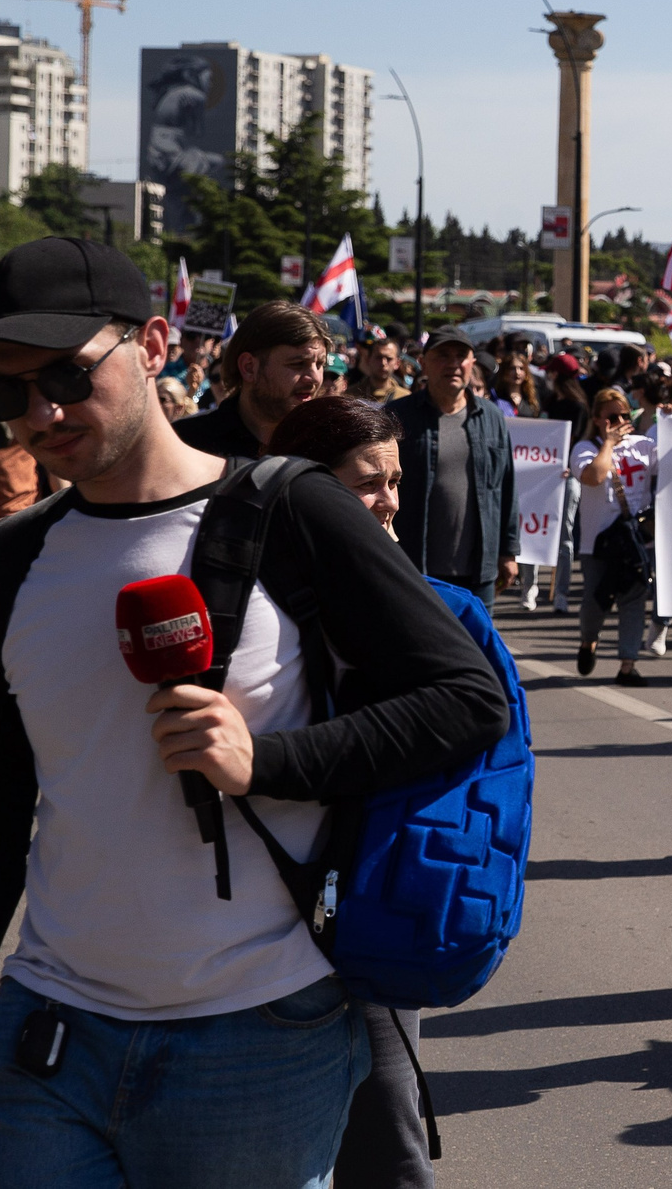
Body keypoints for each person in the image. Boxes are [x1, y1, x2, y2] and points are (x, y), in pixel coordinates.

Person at [0, 237, 509, 1186]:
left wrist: (268, 763)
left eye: (66, 374)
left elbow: (466, 699)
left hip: (255, 1034)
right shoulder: (10, 563)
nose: (42, 412)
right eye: (6, 392)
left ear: (150, 343)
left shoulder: (289, 508)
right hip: (47, 1027)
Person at [259, 394, 439, 1189]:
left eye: (396, 480)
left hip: (369, 892)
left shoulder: (396, 582)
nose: (389, 500)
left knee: (388, 1111)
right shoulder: (257, 593)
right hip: (267, 906)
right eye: (369, 483)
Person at [387, 330, 521, 608]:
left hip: (478, 571)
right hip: (413, 566)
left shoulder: (492, 417)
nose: (453, 364)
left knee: (477, 650)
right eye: (443, 356)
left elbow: (506, 487)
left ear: (473, 362)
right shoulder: (397, 416)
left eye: (461, 356)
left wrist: (508, 553)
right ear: (423, 362)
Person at [571, 387, 660, 682]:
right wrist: (608, 443)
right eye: (612, 417)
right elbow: (594, 477)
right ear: (598, 419)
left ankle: (627, 664)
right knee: (596, 601)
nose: (620, 421)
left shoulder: (645, 445)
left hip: (636, 538)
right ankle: (588, 641)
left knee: (634, 601)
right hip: (599, 541)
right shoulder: (585, 448)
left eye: (624, 415)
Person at [176, 300, 329, 458]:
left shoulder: (330, 446)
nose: (314, 378)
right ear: (249, 367)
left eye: (320, 364)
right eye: (298, 364)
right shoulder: (187, 444)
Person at [346, 334, 409, 404]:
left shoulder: (405, 398)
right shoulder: (351, 396)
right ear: (368, 360)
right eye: (378, 358)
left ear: (397, 363)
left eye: (389, 359)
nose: (383, 363)